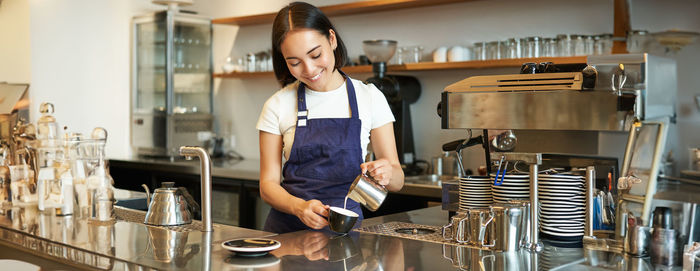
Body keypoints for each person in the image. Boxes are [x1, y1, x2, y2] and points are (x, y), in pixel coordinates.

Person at [256, 2, 404, 233]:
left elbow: (397, 180)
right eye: (294, 62)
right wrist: (298, 207)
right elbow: (267, 185)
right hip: (289, 234)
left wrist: (387, 172)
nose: (309, 69)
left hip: (349, 233)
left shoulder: (370, 97)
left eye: (315, 54)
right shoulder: (277, 104)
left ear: (332, 40)